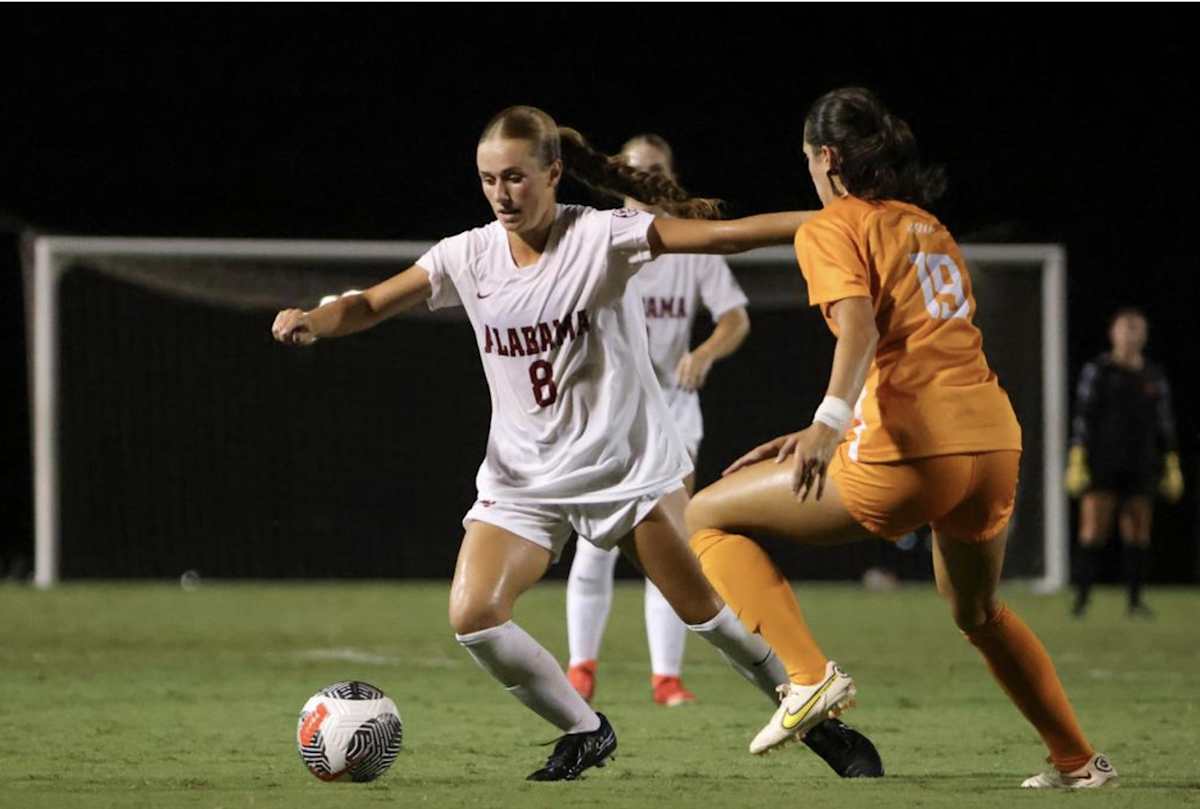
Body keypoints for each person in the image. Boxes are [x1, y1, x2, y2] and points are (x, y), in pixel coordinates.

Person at [272, 106, 880, 781]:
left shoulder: (600, 236)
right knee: (474, 615)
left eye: (516, 178)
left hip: (618, 471)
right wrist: (314, 319)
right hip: (522, 479)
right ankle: (584, 728)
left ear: (553, 172)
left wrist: (835, 220)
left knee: (710, 617)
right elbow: (368, 302)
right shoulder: (467, 255)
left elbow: (724, 237)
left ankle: (820, 724)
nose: (502, 193)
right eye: (487, 179)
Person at [684, 87, 1116, 789]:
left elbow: (861, 331)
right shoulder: (926, 225)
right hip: (993, 443)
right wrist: (822, 424)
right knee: (978, 612)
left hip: (912, 453)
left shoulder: (831, 227)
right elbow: (922, 348)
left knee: (703, 515)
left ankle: (808, 677)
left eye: (805, 157)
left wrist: (828, 427)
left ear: (825, 157)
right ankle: (1078, 761)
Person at [565, 134, 750, 709]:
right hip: (607, 411)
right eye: (635, 170)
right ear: (619, 176)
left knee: (672, 543)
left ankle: (666, 678)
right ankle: (581, 671)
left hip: (672, 409)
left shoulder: (688, 244)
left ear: (669, 176)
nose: (645, 179)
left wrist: (704, 353)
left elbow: (736, 319)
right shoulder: (599, 235)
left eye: (656, 170)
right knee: (596, 545)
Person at [1066, 307, 1183, 617]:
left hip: (1141, 462)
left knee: (1138, 531)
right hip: (1103, 461)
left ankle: (1134, 602)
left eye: (1136, 330)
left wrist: (1171, 461)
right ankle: (1081, 601)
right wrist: (1077, 457)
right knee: (1093, 529)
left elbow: (1164, 422)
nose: (1130, 336)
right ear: (1113, 333)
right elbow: (1083, 415)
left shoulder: (1153, 375)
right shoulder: (1099, 371)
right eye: (1125, 329)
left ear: (1144, 336)